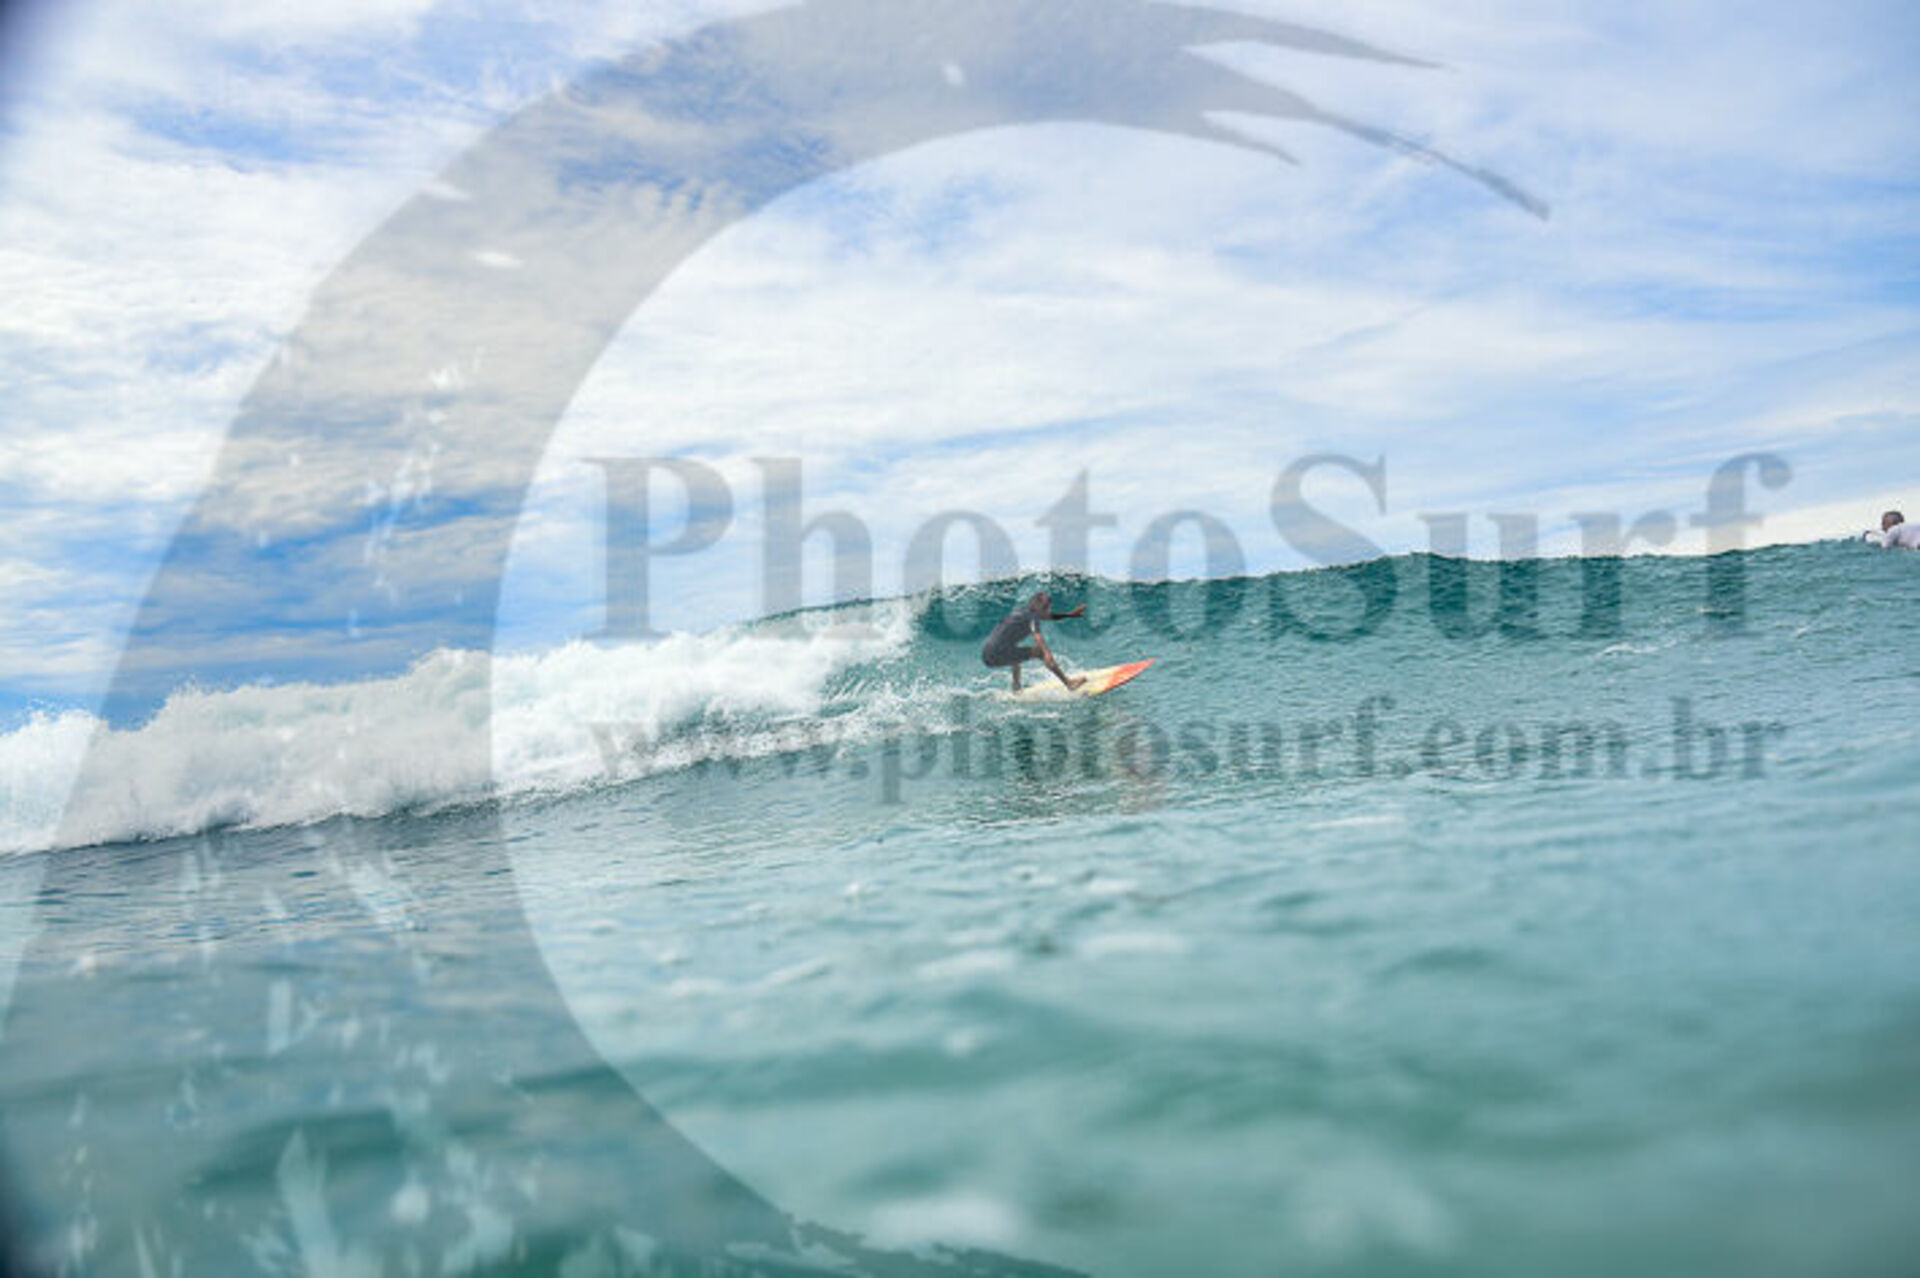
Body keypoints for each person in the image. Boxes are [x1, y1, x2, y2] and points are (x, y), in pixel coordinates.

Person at [982, 590, 1086, 692]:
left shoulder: (1024, 612)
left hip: (988, 653)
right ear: (1038, 607)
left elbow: (1047, 616)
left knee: (1015, 657)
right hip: (997, 653)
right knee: (1039, 652)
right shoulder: (1032, 616)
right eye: (1045, 607)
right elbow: (1037, 635)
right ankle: (1069, 683)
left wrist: (1069, 615)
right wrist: (1046, 653)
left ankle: (1016, 688)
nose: (1048, 610)